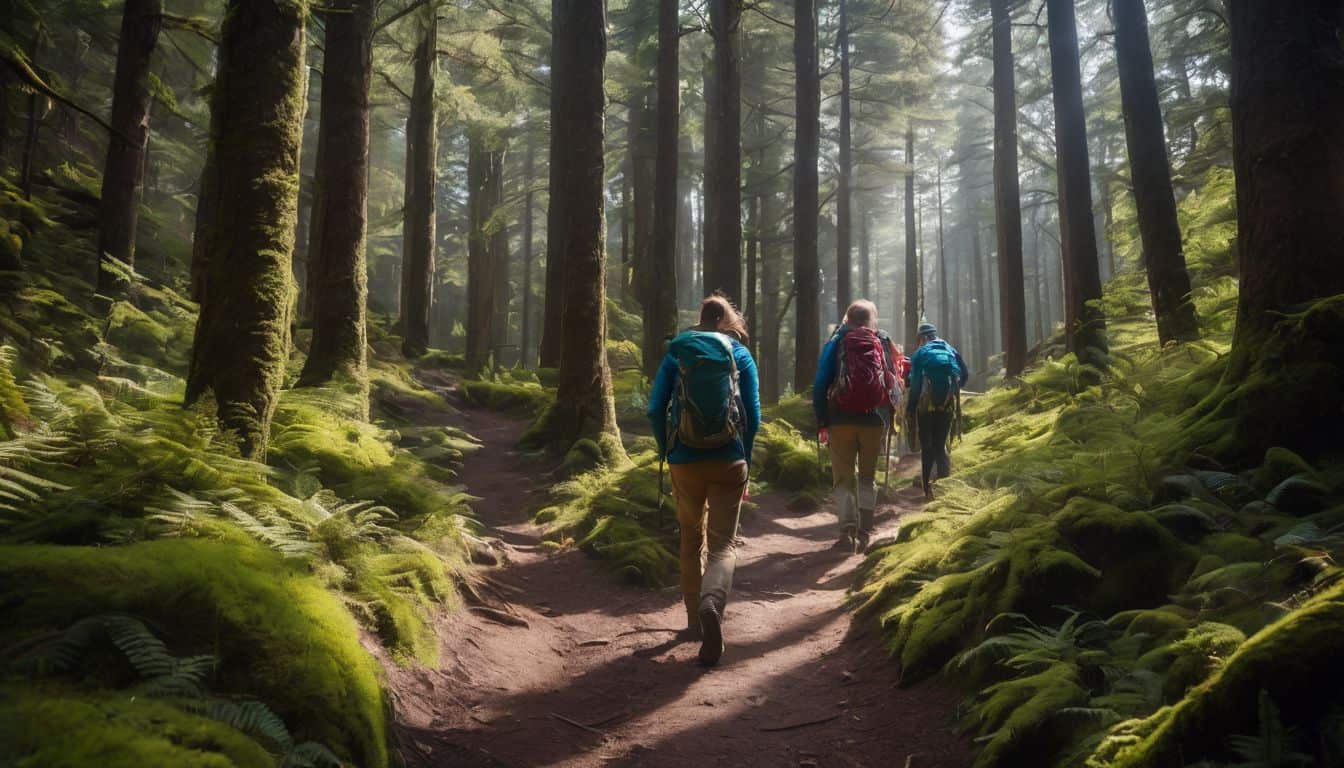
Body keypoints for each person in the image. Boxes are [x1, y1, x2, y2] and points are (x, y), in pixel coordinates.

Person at [646, 295, 761, 667]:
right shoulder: (739, 355)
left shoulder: (678, 352)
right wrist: (747, 454)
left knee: (690, 537)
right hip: (730, 459)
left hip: (684, 459)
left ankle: (694, 619)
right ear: (726, 320)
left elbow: (653, 408)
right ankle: (714, 602)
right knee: (723, 545)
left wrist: (667, 449)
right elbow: (753, 414)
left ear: (700, 319)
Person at [812, 300, 901, 553]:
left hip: (840, 420)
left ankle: (846, 532)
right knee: (867, 477)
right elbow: (894, 384)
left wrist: (822, 420)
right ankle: (865, 533)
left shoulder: (838, 341)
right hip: (874, 420)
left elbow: (820, 383)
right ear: (872, 318)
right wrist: (892, 416)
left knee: (843, 480)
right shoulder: (882, 340)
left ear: (848, 318)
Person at [905, 321, 969, 499]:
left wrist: (911, 408)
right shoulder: (950, 349)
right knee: (941, 446)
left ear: (921, 338)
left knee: (927, 447)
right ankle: (944, 489)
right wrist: (954, 391)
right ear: (935, 334)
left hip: (926, 406)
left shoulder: (920, 353)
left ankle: (927, 490)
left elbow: (916, 385)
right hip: (947, 404)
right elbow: (965, 374)